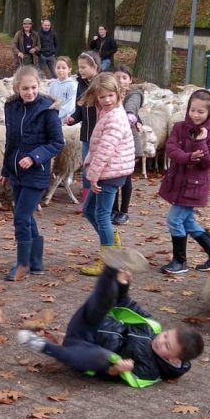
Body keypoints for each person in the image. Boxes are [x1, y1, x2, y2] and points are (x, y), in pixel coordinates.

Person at [17, 248, 203, 388]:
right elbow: (125, 303)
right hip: (87, 327)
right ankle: (112, 268)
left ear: (174, 360)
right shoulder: (152, 327)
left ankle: (43, 346)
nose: (160, 340)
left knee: (101, 358)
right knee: (105, 303)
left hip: (89, 350)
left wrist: (117, 368)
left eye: (167, 346)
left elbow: (110, 374)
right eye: (165, 335)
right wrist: (123, 284)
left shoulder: (150, 372)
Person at [0, 66, 64, 281]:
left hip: (37, 172)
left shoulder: (48, 110)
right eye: (25, 88)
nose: (30, 92)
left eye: (34, 87)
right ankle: (36, 262)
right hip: (17, 172)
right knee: (25, 216)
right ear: (17, 87)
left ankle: (22, 264)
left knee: (21, 217)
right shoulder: (12, 108)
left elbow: (57, 142)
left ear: (39, 86)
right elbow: (11, 141)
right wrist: (6, 169)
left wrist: (35, 157)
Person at [79, 72, 135, 276]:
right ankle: (112, 239)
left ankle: (109, 262)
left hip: (110, 173)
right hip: (105, 170)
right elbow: (98, 146)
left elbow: (105, 150)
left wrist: (93, 176)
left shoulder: (116, 118)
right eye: (102, 97)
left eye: (110, 95)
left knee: (102, 216)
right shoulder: (105, 112)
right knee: (89, 211)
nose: (107, 100)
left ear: (118, 94)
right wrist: (89, 163)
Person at [157, 89, 210, 274]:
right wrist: (189, 156)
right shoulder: (179, 127)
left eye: (201, 111)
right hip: (177, 182)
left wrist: (201, 142)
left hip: (194, 187)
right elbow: (171, 149)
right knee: (188, 222)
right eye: (193, 110)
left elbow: (209, 162)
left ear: (209, 113)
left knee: (174, 220)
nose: (195, 115)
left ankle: (180, 261)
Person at [63, 50, 101, 212]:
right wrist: (73, 118)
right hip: (86, 134)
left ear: (95, 67)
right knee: (87, 167)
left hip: (101, 135)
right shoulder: (80, 84)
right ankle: (87, 203)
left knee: (99, 169)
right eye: (79, 67)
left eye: (84, 67)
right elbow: (81, 107)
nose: (80, 70)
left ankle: (100, 203)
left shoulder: (102, 84)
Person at [113, 65, 142, 226]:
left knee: (126, 178)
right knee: (112, 177)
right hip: (112, 142)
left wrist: (132, 116)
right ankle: (114, 209)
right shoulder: (110, 94)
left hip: (128, 143)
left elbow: (133, 107)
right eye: (117, 77)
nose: (121, 81)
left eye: (124, 78)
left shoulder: (134, 94)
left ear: (130, 80)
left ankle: (124, 211)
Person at [49, 56, 77, 120]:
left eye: (64, 68)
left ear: (69, 69)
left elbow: (71, 104)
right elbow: (49, 99)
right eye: (58, 68)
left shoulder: (73, 85)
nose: (60, 70)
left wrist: (59, 113)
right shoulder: (53, 84)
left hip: (66, 117)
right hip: (53, 115)